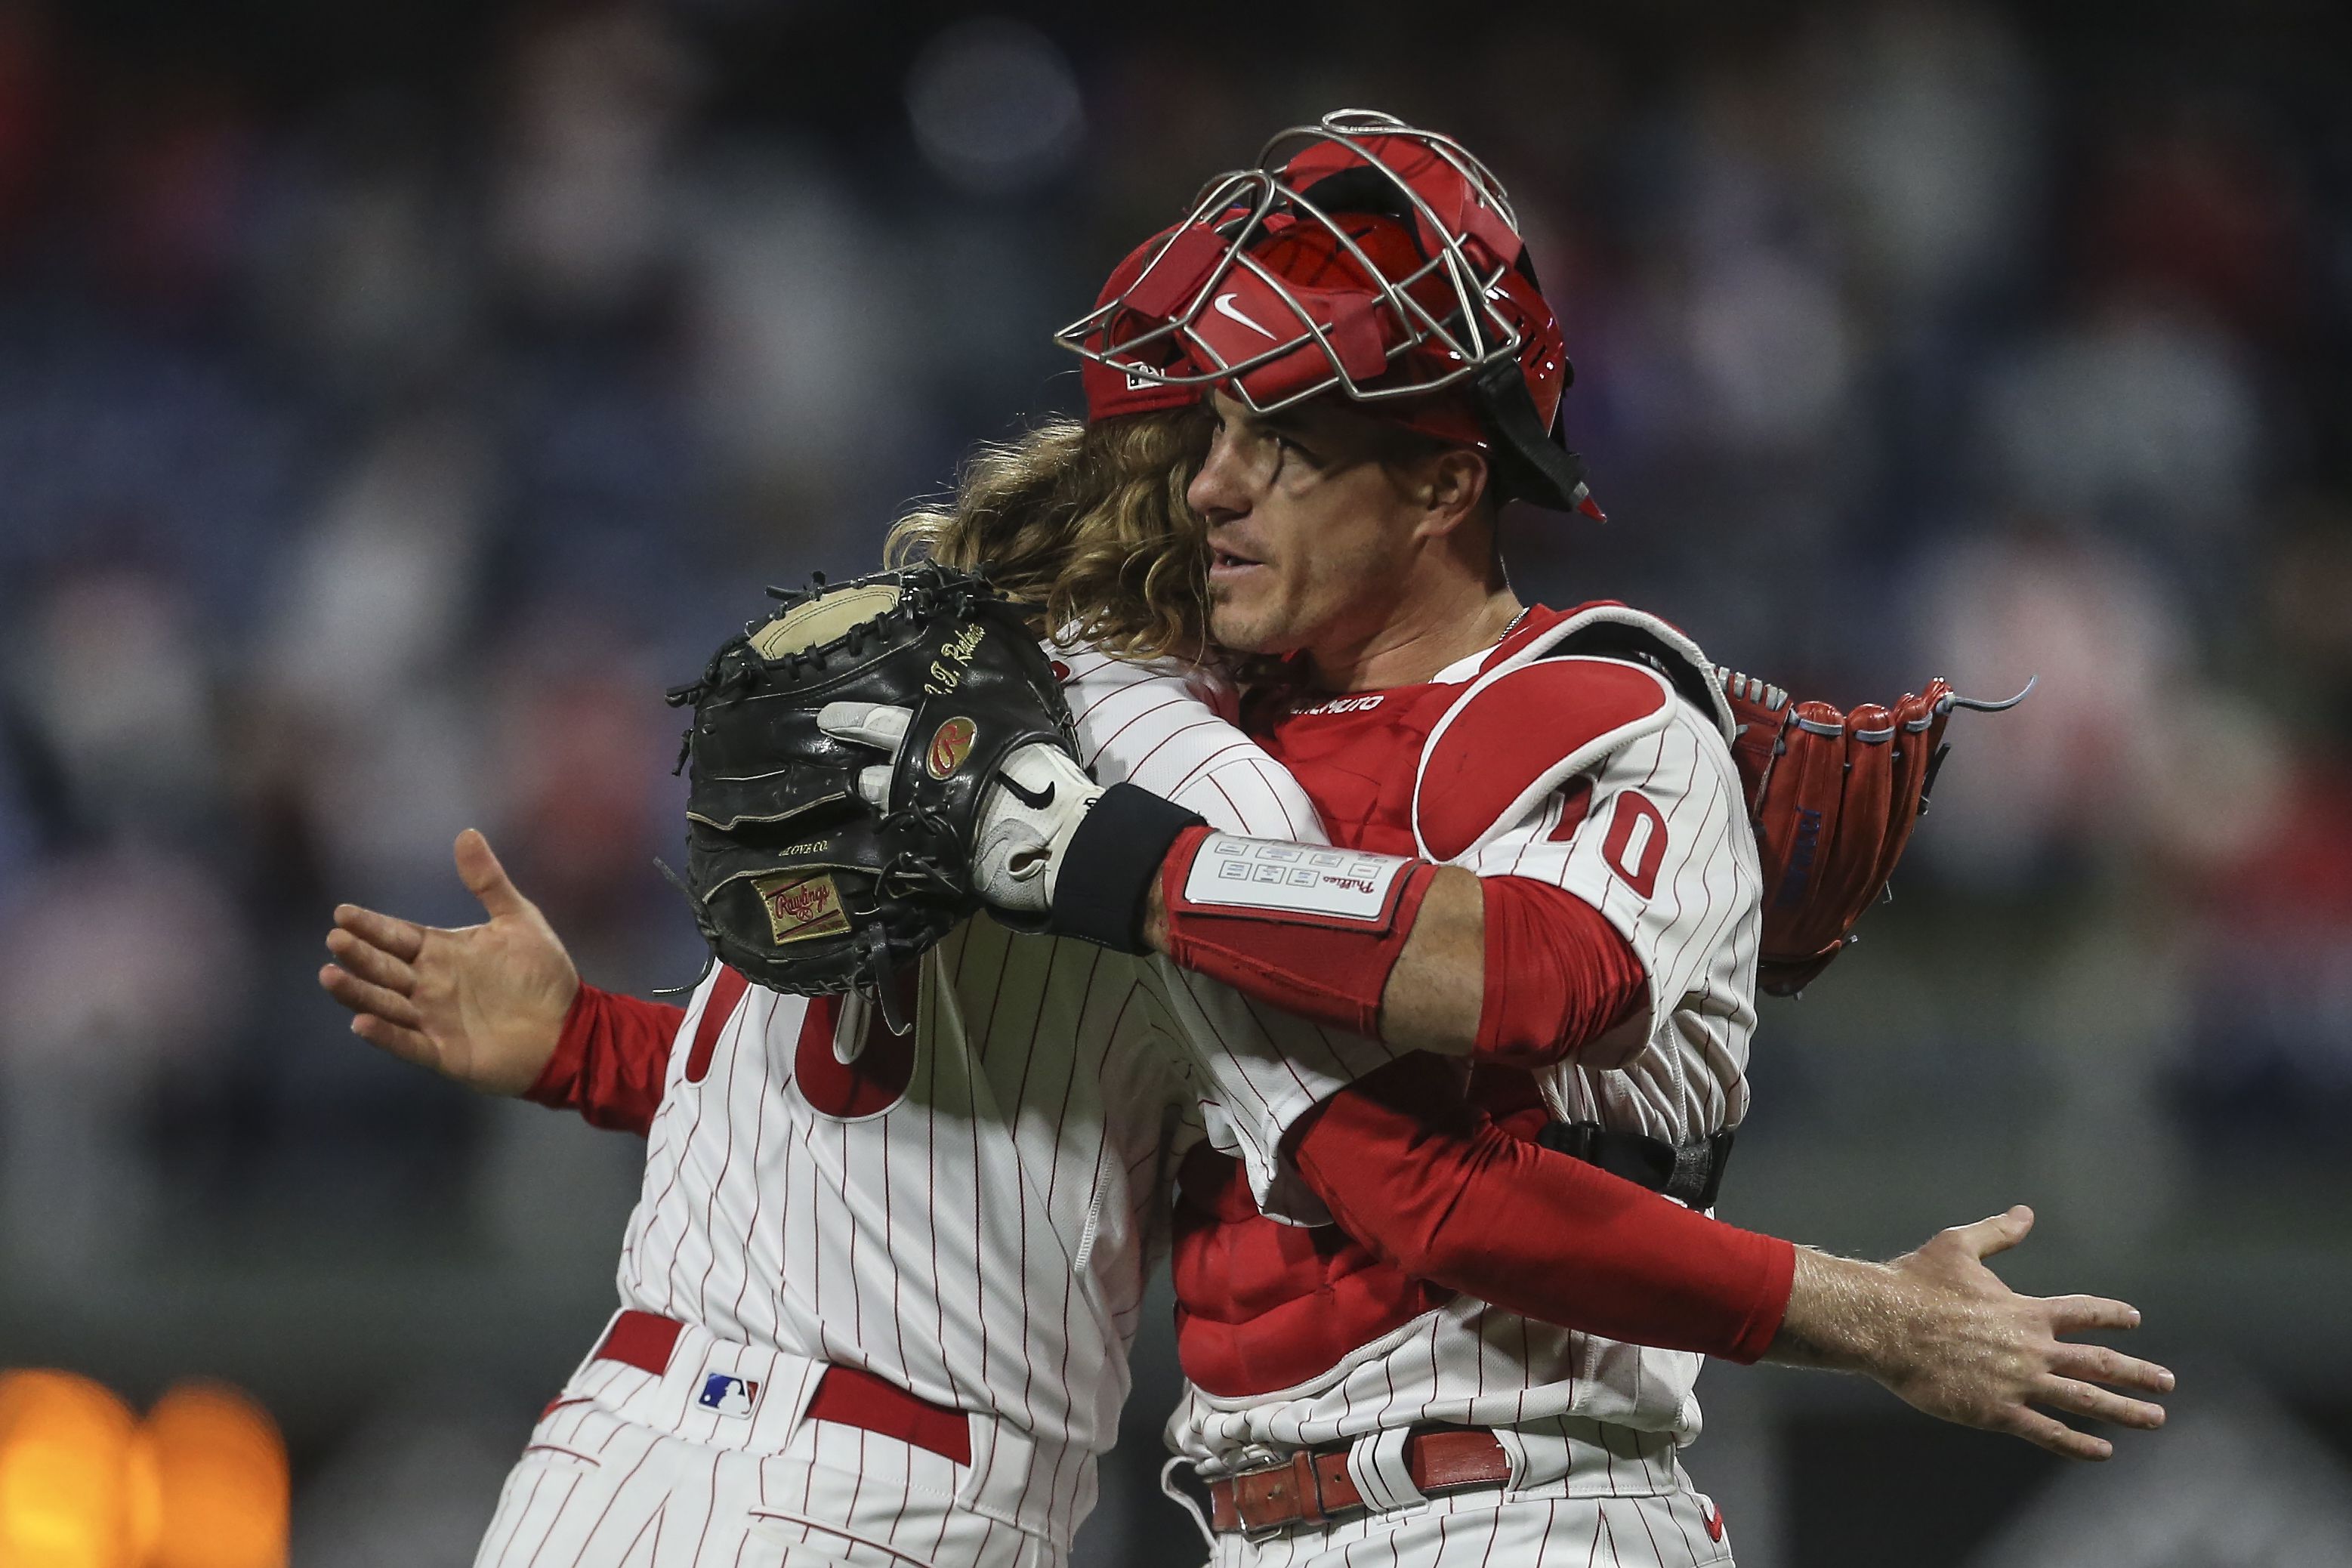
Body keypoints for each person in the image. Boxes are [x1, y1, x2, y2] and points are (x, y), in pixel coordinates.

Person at [318, 119, 2166, 1568]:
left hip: (1517, 1511)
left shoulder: (1591, 709)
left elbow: (1531, 991)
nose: (1213, 480)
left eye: (1278, 438)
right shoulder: (1201, 762)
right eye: (1206, 433)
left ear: (1447, 479)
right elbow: (930, 1090)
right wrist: (598, 1046)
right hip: (1211, 1516)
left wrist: (1863, 1311)